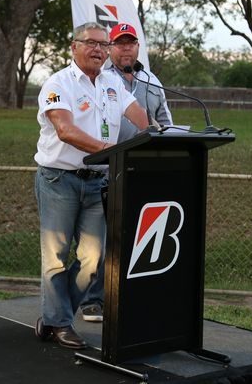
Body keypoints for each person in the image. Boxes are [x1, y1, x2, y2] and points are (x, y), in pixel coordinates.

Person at [34, 21, 148, 349]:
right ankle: (60, 323)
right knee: (55, 255)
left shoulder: (113, 83)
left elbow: (137, 114)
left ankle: (55, 316)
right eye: (90, 43)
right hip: (59, 180)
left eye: (103, 44)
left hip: (98, 181)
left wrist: (156, 132)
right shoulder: (58, 83)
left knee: (92, 258)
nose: (98, 49)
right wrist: (111, 153)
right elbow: (66, 131)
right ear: (74, 47)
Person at [79, 22, 173, 323]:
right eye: (119, 43)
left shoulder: (152, 81)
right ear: (111, 49)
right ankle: (93, 300)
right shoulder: (100, 79)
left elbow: (164, 123)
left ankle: (127, 297)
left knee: (135, 237)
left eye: (130, 42)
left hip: (143, 171)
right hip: (108, 169)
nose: (125, 48)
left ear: (137, 47)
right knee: (104, 239)